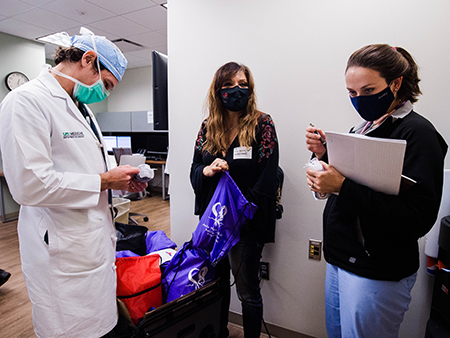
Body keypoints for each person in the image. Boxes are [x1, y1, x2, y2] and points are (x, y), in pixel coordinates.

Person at [0, 29, 147, 338]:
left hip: (90, 241)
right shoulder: (26, 102)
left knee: (101, 325)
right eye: (105, 84)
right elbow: (29, 185)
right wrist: (104, 180)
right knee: (68, 329)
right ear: (88, 59)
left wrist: (117, 182)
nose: (104, 94)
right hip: (59, 249)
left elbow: (86, 168)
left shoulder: (82, 109)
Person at [305, 44, 447, 338]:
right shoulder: (364, 128)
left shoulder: (419, 135)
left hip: (377, 268)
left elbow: (417, 217)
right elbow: (360, 184)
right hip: (341, 258)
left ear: (395, 84)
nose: (359, 100)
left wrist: (341, 186)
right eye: (352, 93)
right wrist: (325, 159)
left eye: (368, 91)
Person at [190, 62, 279, 338]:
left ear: (250, 89)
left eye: (242, 84)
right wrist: (207, 170)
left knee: (247, 292)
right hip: (214, 222)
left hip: (245, 224)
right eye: (228, 85)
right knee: (215, 286)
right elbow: (194, 169)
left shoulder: (263, 124)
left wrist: (239, 214)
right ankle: (220, 332)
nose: (235, 90)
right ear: (218, 91)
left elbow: (268, 177)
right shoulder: (207, 127)